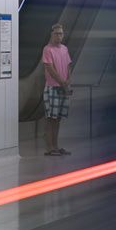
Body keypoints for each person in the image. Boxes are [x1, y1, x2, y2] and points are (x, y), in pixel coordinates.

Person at [39, 22, 74, 157]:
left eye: (61, 34)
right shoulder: (47, 49)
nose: (59, 36)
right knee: (51, 118)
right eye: (56, 34)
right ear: (52, 35)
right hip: (53, 87)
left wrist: (68, 79)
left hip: (63, 87)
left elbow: (68, 65)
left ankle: (56, 146)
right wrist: (62, 81)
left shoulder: (64, 49)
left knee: (58, 118)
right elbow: (50, 68)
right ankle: (50, 148)